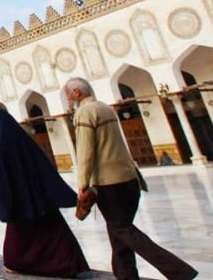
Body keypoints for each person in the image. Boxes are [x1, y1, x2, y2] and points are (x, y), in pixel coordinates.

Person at [65, 77, 197, 280]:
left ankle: (179, 271)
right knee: (118, 235)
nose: (67, 99)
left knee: (122, 230)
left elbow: (85, 151)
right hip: (130, 179)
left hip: (110, 184)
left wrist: (82, 184)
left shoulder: (84, 112)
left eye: (68, 94)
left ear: (76, 92)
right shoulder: (105, 108)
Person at [0, 108, 90, 277]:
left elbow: (2, 176)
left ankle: (19, 263)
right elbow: (42, 166)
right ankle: (68, 264)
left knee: (20, 238)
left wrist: (5, 203)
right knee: (52, 232)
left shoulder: (0, 142)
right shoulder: (23, 139)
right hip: (39, 198)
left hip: (20, 201)